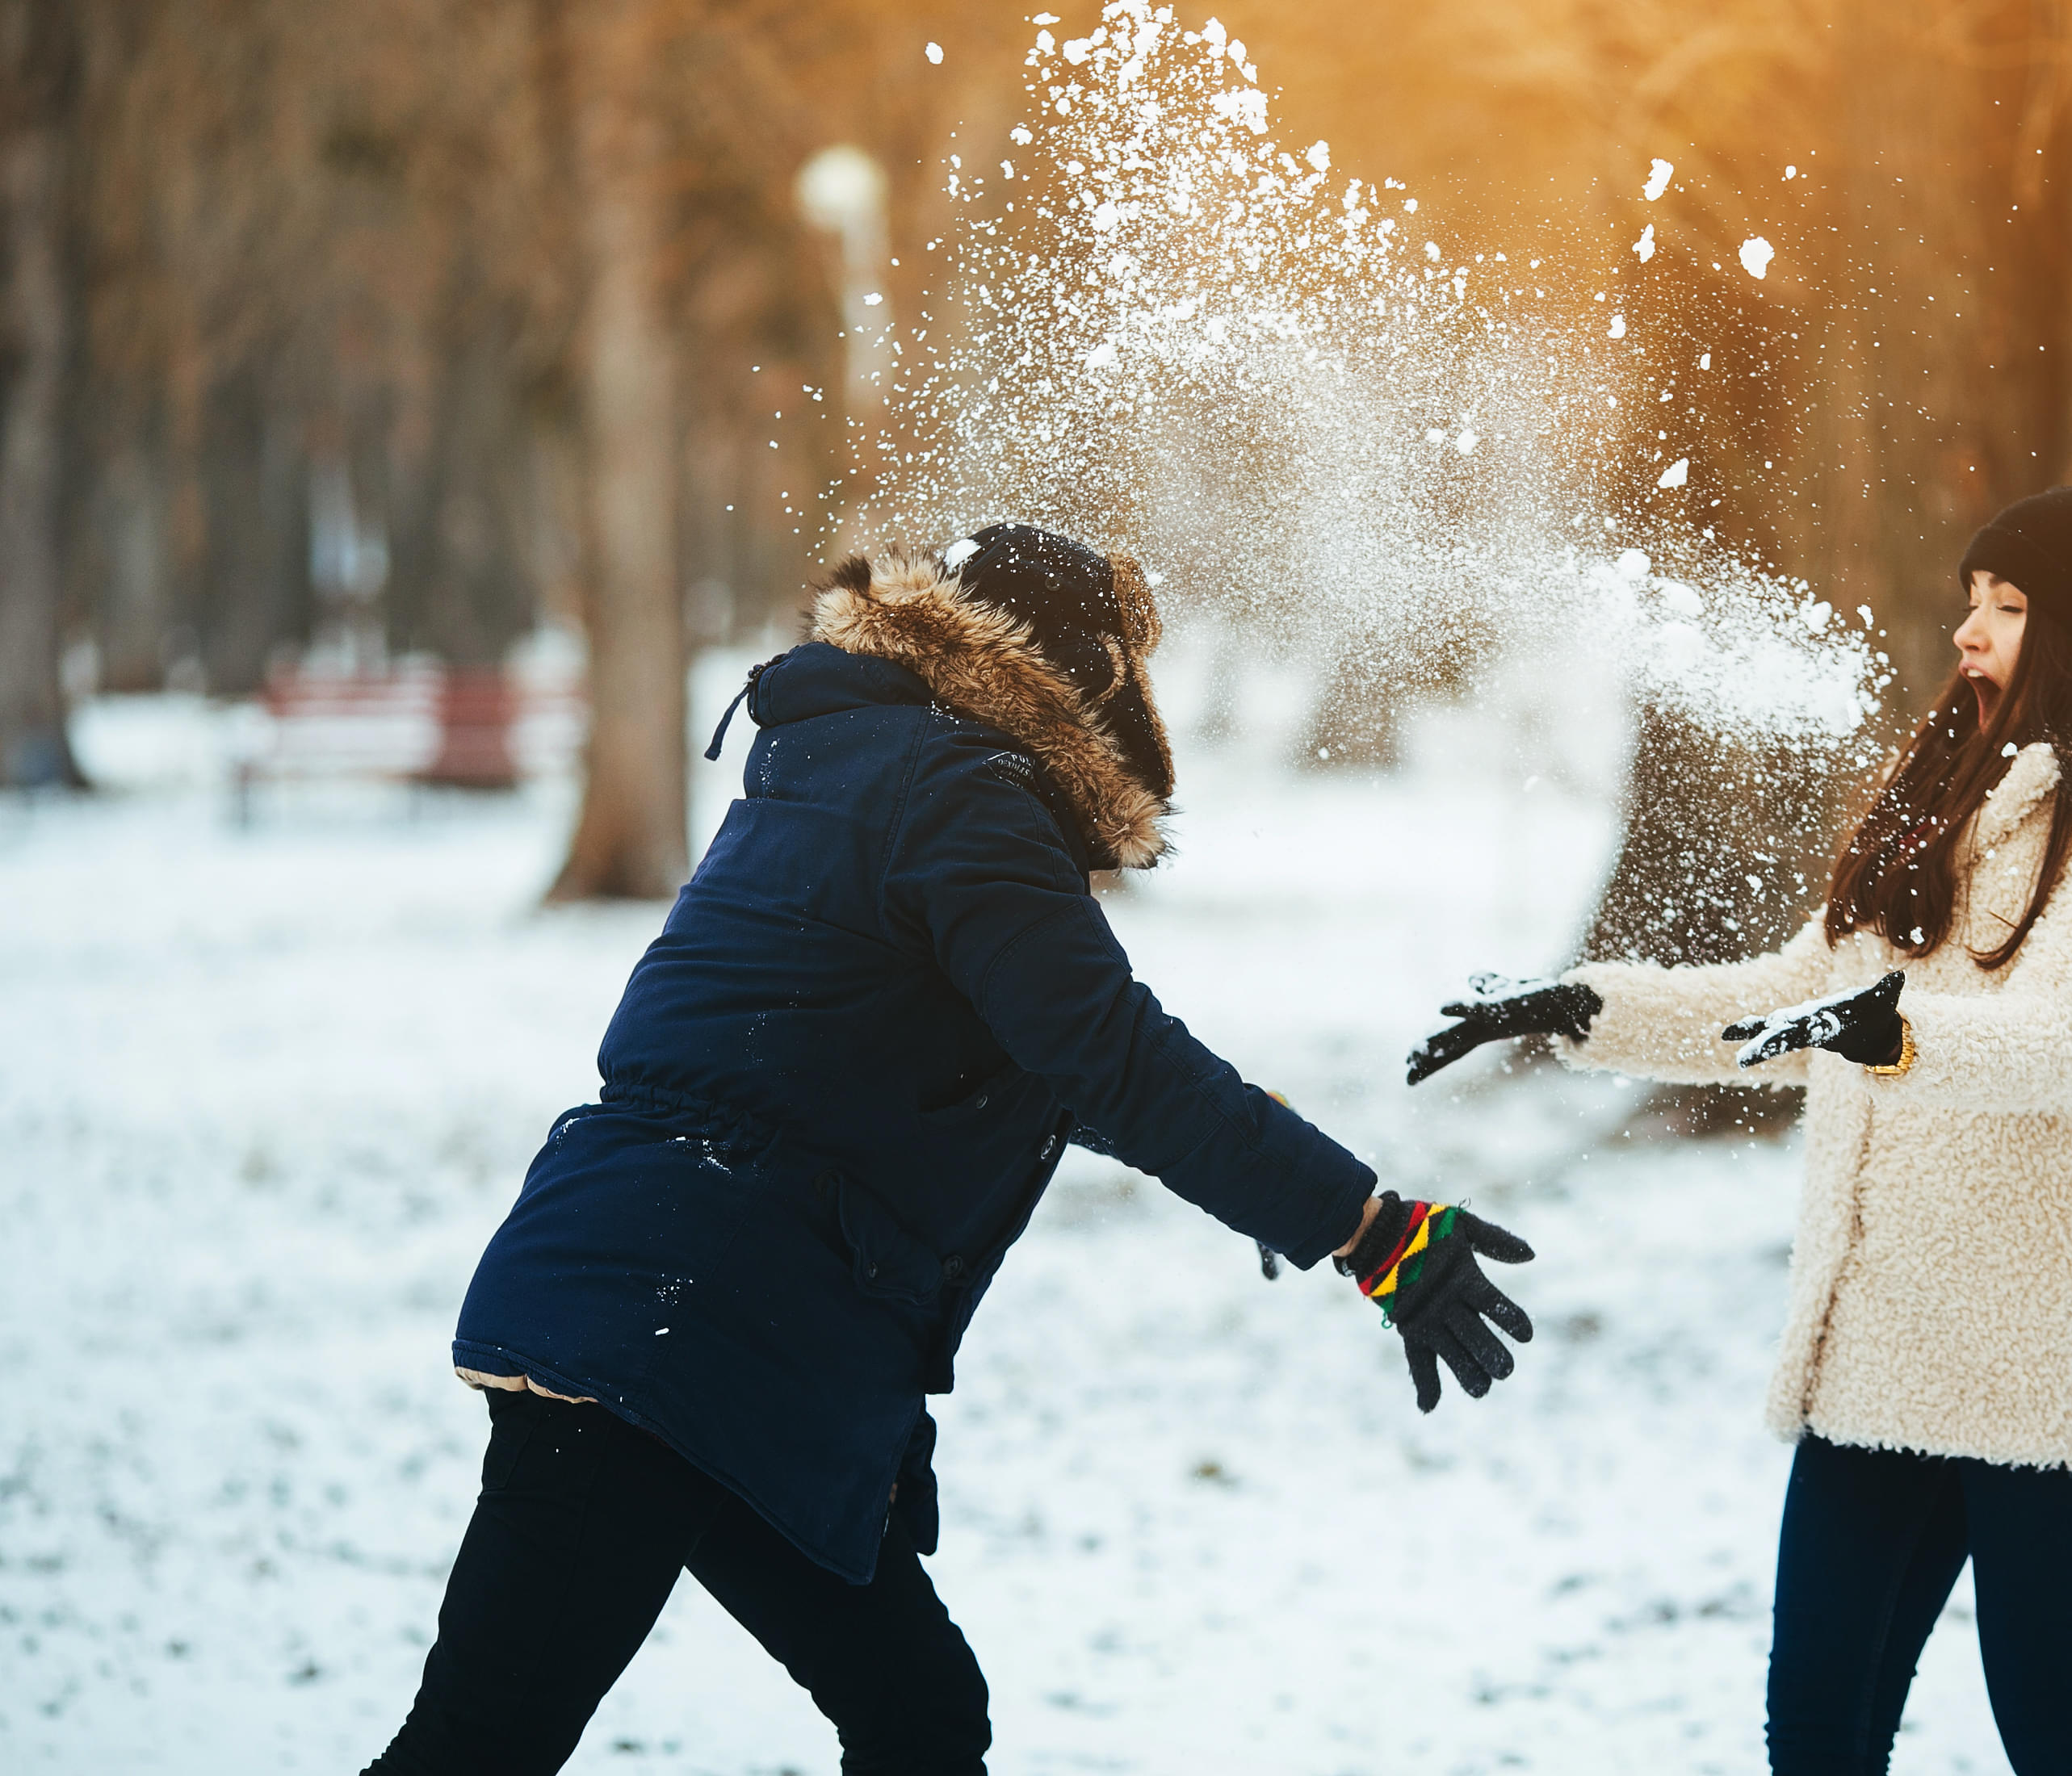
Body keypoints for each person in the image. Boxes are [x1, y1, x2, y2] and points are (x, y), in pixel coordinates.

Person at [363, 525, 1536, 1775]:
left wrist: (1262, 1182)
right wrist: (1366, 1229)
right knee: (486, 1742)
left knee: (917, 1711)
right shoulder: (958, 794)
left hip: (701, 1315)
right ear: (1066, 673)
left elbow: (1014, 1057)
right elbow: (1113, 1061)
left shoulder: (860, 762)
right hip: (674, 1325)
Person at [1410, 473, 2072, 1775]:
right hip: (1883, 1350)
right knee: (1818, 1741)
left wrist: (1885, 1032)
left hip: (2049, 1350)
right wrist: (1582, 1008)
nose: (1969, 631)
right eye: (1971, 599)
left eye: (2008, 606)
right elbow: (1793, 997)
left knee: (2065, 1734)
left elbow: (2052, 1041)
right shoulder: (1950, 777)